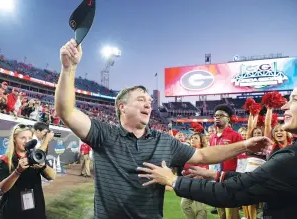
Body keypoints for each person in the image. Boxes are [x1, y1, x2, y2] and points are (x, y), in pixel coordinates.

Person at [55, 39, 272, 219]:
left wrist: (244, 144)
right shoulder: (104, 134)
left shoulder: (165, 141)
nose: (149, 104)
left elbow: (203, 154)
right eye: (141, 99)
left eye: (149, 100)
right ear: (122, 107)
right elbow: (67, 111)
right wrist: (69, 68)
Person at [137, 76, 297, 219]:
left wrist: (172, 180)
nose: (285, 105)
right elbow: (260, 179)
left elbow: (230, 192)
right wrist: (215, 174)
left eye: (295, 99)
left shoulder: (295, 157)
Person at [0, 124, 56, 219]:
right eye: (23, 138)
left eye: (29, 138)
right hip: (13, 208)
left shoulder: (36, 155)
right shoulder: (5, 160)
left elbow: (52, 176)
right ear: (14, 139)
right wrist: (17, 171)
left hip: (35, 206)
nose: (27, 141)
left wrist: (43, 166)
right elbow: (3, 188)